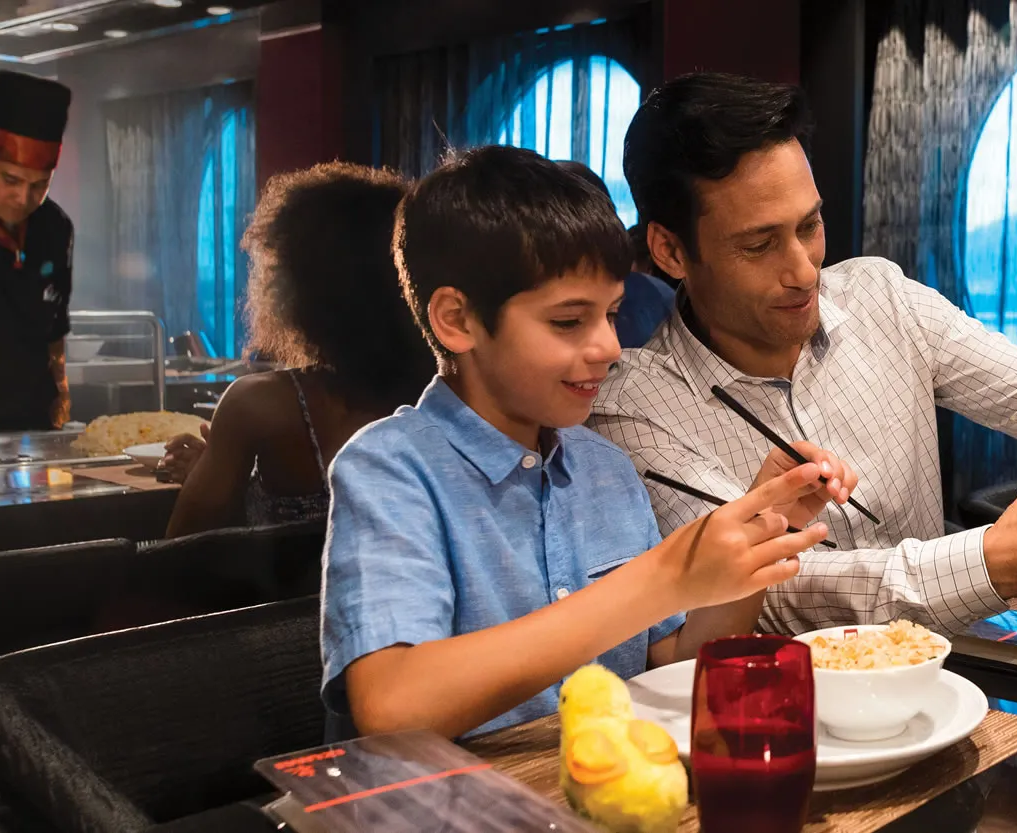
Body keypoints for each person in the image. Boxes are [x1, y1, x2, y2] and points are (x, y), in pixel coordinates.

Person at [590, 72, 1017, 637]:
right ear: (669, 251)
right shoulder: (634, 407)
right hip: (793, 709)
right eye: (759, 244)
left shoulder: (881, 296)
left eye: (810, 225)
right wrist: (991, 561)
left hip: (951, 681)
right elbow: (774, 594)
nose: (804, 271)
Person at [321, 146, 853, 740]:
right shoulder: (389, 470)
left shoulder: (604, 467)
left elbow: (672, 664)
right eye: (569, 322)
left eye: (612, 314)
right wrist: (660, 578)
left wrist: (763, 531)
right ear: (458, 320)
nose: (606, 348)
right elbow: (393, 704)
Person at [162, 163, 436, 536]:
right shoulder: (448, 397)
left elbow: (184, 548)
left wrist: (217, 477)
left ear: (301, 289)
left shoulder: (260, 405)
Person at [0, 71, 75, 434]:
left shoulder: (55, 227)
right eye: (11, 180)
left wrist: (63, 394)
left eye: (39, 185)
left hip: (31, 428)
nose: (24, 199)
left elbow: (56, 327)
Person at [554, 160, 677, 348]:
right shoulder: (658, 293)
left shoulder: (657, 296)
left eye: (612, 314)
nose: (612, 349)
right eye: (568, 322)